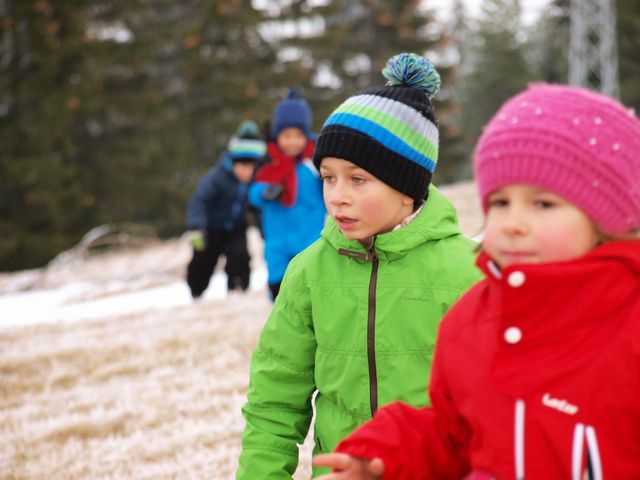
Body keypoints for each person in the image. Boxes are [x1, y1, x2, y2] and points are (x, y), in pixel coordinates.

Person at [313, 83, 640, 479]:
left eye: (542, 203)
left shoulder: (628, 327)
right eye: (500, 202)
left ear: (608, 218)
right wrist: (387, 455)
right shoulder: (472, 320)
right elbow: (455, 436)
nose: (513, 223)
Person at [237, 53, 482, 479]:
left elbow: (501, 408)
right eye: (328, 177)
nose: (337, 196)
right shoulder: (309, 272)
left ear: (407, 187)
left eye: (358, 179)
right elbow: (274, 403)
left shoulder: (469, 273)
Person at [248, 88, 326, 300]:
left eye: (298, 136)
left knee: (310, 287)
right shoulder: (268, 162)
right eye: (286, 136)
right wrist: (264, 193)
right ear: (277, 136)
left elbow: (330, 189)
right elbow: (252, 192)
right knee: (279, 288)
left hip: (310, 237)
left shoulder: (314, 162)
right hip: (277, 238)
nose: (292, 142)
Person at [185, 120, 266, 299]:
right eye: (243, 167)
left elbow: (257, 208)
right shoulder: (217, 178)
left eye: (252, 167)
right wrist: (196, 227)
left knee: (240, 257)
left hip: (237, 227)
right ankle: (196, 292)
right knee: (203, 260)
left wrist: (264, 230)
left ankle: (238, 290)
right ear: (233, 163)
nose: (247, 172)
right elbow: (199, 201)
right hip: (211, 227)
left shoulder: (254, 182)